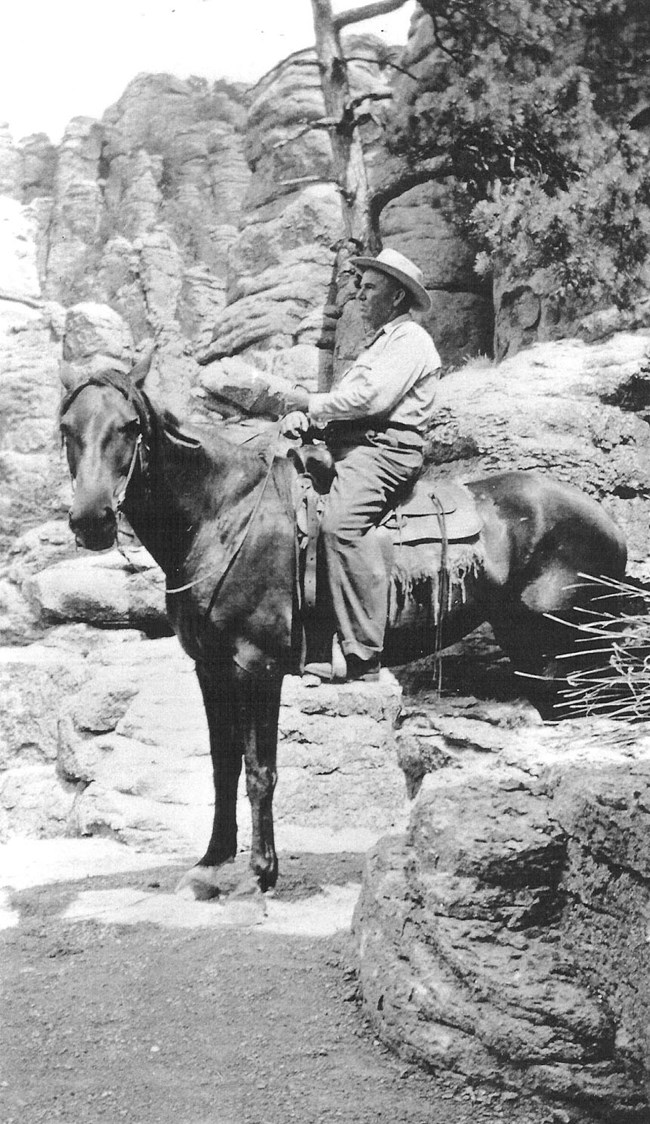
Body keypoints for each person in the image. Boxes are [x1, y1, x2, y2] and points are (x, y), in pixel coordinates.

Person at [282, 247, 441, 681]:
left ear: (396, 297)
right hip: (350, 446)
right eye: (359, 286)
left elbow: (372, 400)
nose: (359, 295)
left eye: (370, 288)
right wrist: (308, 420)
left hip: (384, 452)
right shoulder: (379, 344)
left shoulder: (411, 341)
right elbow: (345, 408)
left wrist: (310, 402)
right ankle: (306, 640)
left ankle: (364, 654)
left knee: (338, 523)